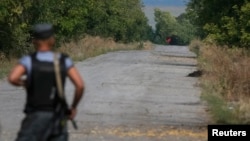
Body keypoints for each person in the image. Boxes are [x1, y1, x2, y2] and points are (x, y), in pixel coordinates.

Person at [8, 23, 84, 141]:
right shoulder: (63, 60)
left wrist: (25, 83)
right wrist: (73, 107)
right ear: (52, 40)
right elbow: (80, 85)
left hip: (35, 116)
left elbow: (13, 78)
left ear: (34, 41)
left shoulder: (29, 60)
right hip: (57, 117)